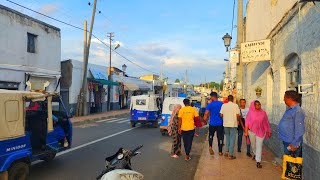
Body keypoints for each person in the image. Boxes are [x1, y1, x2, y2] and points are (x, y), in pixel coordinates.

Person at [244, 100, 271, 168]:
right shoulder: (250, 113)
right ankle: (255, 154)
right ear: (253, 105)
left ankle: (258, 161)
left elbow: (266, 122)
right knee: (253, 145)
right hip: (251, 131)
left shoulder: (263, 113)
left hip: (261, 132)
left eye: (259, 104)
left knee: (259, 145)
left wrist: (268, 130)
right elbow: (247, 123)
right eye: (257, 105)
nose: (259, 106)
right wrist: (246, 132)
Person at [278, 90, 305, 157]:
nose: (283, 99)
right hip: (288, 140)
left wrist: (295, 143)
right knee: (288, 163)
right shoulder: (290, 109)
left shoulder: (297, 111)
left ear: (290, 98)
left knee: (292, 164)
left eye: (284, 97)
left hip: (292, 143)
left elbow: (299, 129)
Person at [203, 92, 224, 156]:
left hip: (212, 123)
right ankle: (220, 151)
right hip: (220, 123)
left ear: (212, 97)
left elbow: (206, 113)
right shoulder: (222, 104)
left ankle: (210, 147)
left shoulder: (210, 105)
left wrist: (204, 120)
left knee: (211, 136)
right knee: (220, 137)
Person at [220, 95, 239, 160]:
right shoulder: (235, 106)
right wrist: (238, 120)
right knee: (232, 139)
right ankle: (230, 155)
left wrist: (225, 118)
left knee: (227, 138)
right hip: (233, 124)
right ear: (233, 99)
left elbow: (221, 115)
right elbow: (237, 115)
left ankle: (226, 152)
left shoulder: (223, 105)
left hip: (226, 124)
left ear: (227, 99)